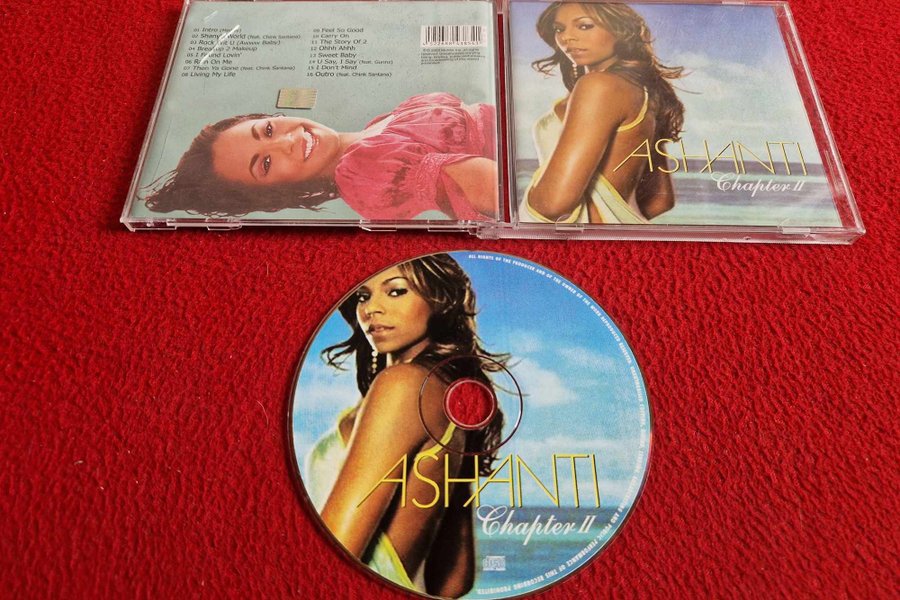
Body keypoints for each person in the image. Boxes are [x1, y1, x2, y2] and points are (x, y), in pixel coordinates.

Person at [303, 254, 507, 597]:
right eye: (363, 296)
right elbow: (453, 580)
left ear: (439, 300)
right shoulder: (447, 395)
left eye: (396, 291)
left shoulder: (403, 385)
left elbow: (330, 556)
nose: (371, 309)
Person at [142, 93, 497, 221]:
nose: (287, 142)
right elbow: (488, 186)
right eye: (266, 164)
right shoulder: (365, 173)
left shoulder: (373, 129)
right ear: (274, 192)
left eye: (268, 130)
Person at [523, 2, 685, 224]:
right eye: (559, 29)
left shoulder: (599, 86)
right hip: (622, 235)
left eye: (584, 26)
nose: (566, 37)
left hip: (586, 239)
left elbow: (553, 205)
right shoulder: (642, 91)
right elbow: (660, 200)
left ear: (620, 30)